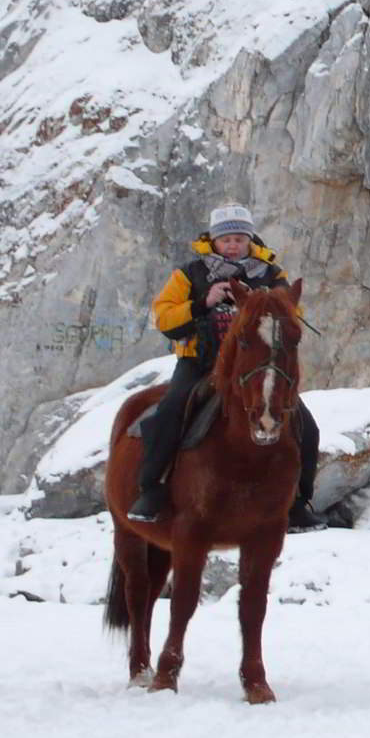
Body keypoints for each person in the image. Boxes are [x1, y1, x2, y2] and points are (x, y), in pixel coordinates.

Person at [131, 204, 322, 529]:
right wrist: (202, 303)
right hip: (200, 362)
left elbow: (292, 313)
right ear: (214, 240)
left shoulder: (270, 274)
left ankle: (299, 501)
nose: (232, 245)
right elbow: (162, 315)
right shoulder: (190, 273)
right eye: (226, 239)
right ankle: (152, 489)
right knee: (172, 410)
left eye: (239, 238)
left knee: (306, 425)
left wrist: (260, 303)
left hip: (259, 367)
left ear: (249, 239)